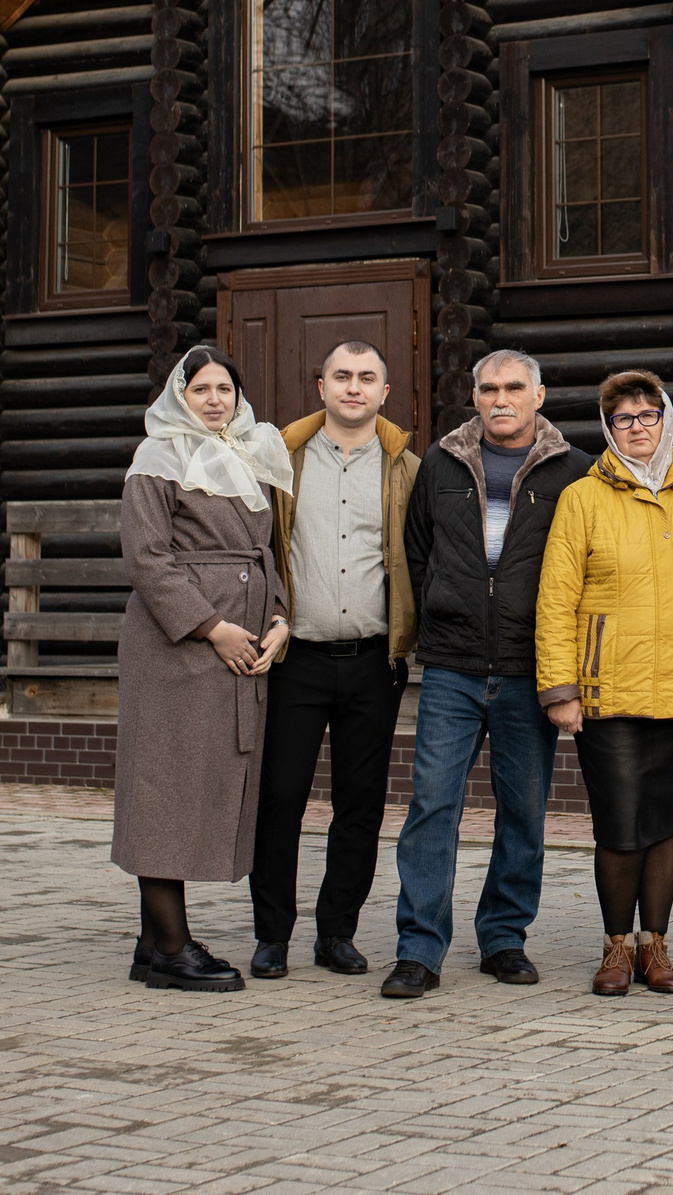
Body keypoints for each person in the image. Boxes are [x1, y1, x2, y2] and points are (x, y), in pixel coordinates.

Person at [386, 349, 587, 999]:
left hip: (532, 666)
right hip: (452, 665)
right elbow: (418, 550)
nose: (502, 398)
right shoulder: (442, 463)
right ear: (474, 396)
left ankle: (503, 936)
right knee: (432, 806)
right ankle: (419, 949)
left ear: (540, 393)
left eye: (515, 387)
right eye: (490, 387)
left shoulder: (573, 470)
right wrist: (444, 606)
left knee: (523, 811)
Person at [113, 347, 293, 992]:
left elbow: (263, 554)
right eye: (201, 390)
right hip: (177, 650)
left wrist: (278, 618)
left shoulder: (247, 456)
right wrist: (211, 628)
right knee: (165, 787)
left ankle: (151, 942)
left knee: (196, 785)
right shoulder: (156, 459)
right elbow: (147, 559)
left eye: (225, 389)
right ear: (178, 397)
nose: (215, 400)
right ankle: (171, 948)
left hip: (237, 646)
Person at [534, 371, 673, 997]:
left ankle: (654, 946)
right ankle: (615, 945)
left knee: (666, 821)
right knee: (618, 822)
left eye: (648, 415)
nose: (638, 428)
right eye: (623, 420)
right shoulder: (583, 498)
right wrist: (560, 689)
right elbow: (556, 597)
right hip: (608, 689)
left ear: (668, 419)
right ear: (608, 430)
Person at [246, 339, 418, 981]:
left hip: (375, 662)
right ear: (320, 386)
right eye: (341, 376)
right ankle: (271, 936)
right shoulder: (279, 460)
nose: (353, 387)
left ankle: (336, 933)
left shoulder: (407, 468)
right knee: (280, 798)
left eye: (366, 377)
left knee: (360, 803)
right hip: (296, 659)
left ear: (384, 392)